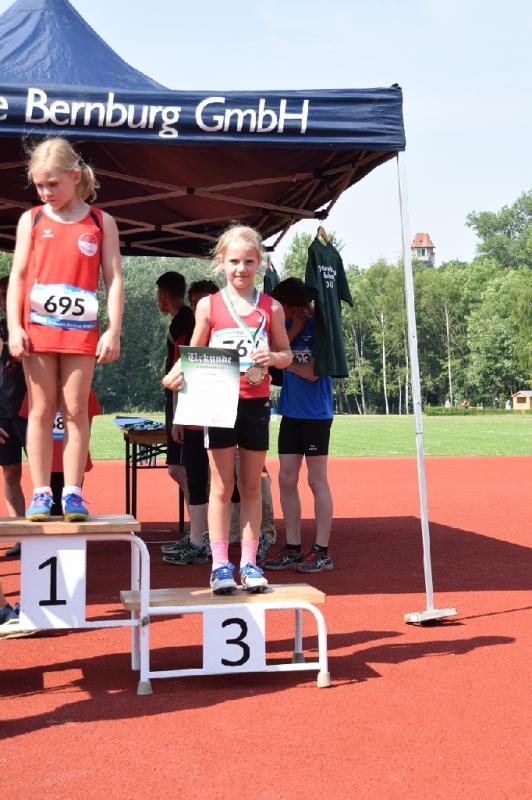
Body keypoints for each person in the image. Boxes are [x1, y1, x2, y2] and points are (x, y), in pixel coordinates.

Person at [163, 225, 292, 594]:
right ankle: (220, 564)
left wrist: (274, 357)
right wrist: (175, 374)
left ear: (260, 263)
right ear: (221, 261)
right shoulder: (209, 306)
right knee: (221, 486)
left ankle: (249, 563)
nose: (241, 269)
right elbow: (193, 353)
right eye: (234, 261)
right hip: (218, 404)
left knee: (250, 486)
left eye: (249, 262)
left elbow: (286, 354)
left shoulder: (271, 308)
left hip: (255, 404)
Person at [7, 137, 123, 522]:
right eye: (39, 185)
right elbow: (18, 277)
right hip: (38, 330)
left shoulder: (101, 222)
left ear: (75, 177)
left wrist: (114, 330)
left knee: (75, 409)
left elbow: (114, 279)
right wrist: (14, 327)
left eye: (52, 184)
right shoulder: (32, 220)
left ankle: (73, 492)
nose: (45, 192)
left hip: (81, 332)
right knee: (40, 410)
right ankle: (41, 491)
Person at [263, 278, 334, 573]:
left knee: (316, 481)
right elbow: (270, 353)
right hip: (290, 413)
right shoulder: (288, 324)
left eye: (282, 305)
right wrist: (289, 337)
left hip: (316, 415)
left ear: (292, 303)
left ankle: (321, 550)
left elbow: (314, 372)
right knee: (286, 479)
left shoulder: (320, 326)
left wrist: (286, 362)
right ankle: (292, 547)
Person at [162, 279, 219, 566]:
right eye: (195, 303)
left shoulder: (225, 337)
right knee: (195, 480)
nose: (199, 308)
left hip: (222, 422)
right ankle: (198, 542)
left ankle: (227, 541)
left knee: (228, 485)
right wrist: (178, 419)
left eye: (205, 301)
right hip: (194, 419)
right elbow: (178, 383)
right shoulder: (186, 339)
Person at [156, 271, 195, 529]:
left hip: (183, 401)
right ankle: (199, 530)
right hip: (178, 400)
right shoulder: (181, 321)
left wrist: (178, 412)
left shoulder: (184, 322)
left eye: (158, 294)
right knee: (182, 470)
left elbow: (183, 367)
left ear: (164, 294)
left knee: (181, 469)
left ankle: (201, 531)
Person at [0, 275, 27, 556]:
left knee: (49, 476)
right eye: (2, 295)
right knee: (10, 473)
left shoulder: (36, 327)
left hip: (34, 412)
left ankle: (51, 536)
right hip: (4, 413)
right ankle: (21, 536)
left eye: (9, 293)